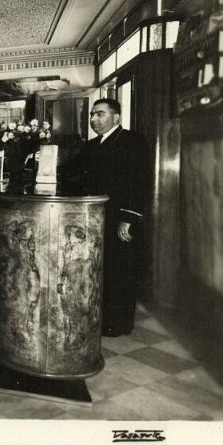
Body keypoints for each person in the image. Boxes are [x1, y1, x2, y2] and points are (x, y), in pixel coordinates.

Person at [60, 99, 151, 337]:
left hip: (120, 218)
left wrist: (129, 218)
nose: (93, 119)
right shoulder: (92, 146)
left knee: (122, 271)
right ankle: (101, 318)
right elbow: (70, 172)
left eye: (100, 114)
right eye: (92, 115)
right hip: (96, 218)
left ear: (116, 117)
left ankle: (119, 324)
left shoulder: (132, 142)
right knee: (102, 269)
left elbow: (139, 182)